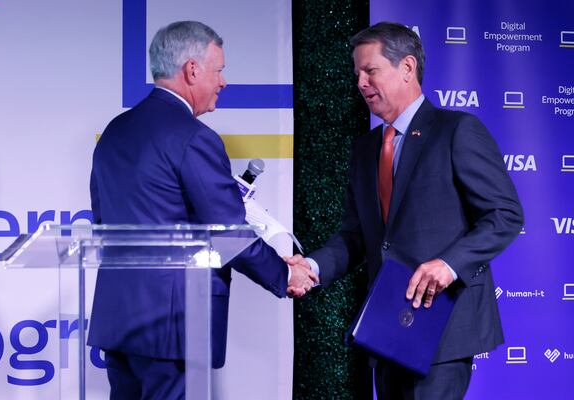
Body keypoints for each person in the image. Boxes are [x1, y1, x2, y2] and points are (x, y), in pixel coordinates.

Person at [286, 22, 523, 399]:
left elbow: (505, 214)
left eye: (370, 71)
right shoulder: (365, 149)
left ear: (407, 68)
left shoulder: (457, 130)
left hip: (443, 328)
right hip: (388, 330)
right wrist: (310, 268)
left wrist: (447, 265)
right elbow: (355, 236)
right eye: (357, 73)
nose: (361, 82)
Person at [87, 21, 317, 399]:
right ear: (192, 70)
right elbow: (228, 233)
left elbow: (101, 219)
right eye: (220, 69)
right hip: (173, 325)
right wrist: (283, 274)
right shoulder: (195, 138)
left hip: (119, 321)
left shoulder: (115, 131)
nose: (223, 81)